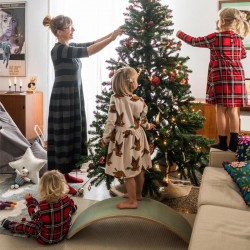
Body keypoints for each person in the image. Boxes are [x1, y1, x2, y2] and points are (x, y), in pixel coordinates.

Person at [42, 15, 122, 195]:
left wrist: (113, 33)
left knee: (72, 135)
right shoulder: (59, 50)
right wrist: (112, 39)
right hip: (63, 100)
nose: (73, 30)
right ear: (60, 31)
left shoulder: (69, 46)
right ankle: (60, 181)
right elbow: (89, 51)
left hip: (73, 98)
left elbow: (92, 43)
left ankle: (66, 174)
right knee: (64, 137)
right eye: (71, 27)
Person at [176, 8, 250, 152]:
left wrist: (180, 33)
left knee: (220, 110)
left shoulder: (215, 37)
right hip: (237, 76)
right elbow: (242, 55)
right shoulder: (238, 39)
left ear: (222, 21)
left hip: (220, 77)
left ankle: (222, 142)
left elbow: (194, 41)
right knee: (234, 111)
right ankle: (234, 143)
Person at [102, 67, 156, 209]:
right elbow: (143, 121)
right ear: (132, 84)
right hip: (138, 137)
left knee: (128, 172)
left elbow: (111, 122)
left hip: (124, 140)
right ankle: (138, 194)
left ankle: (132, 201)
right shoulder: (140, 101)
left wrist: (105, 138)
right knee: (139, 168)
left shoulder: (115, 99)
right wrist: (149, 126)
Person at [1, 170, 77, 245]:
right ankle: (72, 209)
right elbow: (71, 203)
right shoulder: (67, 199)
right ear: (63, 186)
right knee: (68, 209)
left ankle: (11, 225)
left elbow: (33, 215)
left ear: (42, 189)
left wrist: (30, 201)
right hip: (63, 233)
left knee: (27, 225)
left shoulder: (42, 207)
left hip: (44, 238)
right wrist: (71, 208)